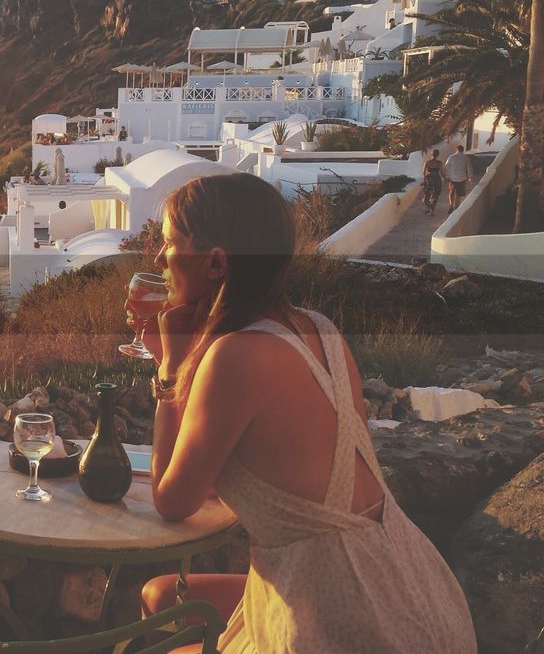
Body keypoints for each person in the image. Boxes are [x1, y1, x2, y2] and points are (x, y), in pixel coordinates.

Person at [129, 174, 476, 653]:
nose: (160, 259)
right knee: (160, 593)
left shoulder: (236, 355)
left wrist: (169, 368)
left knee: (156, 621)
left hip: (345, 619)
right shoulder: (317, 328)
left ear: (214, 263)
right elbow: (221, 473)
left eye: (169, 242)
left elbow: (173, 500)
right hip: (411, 588)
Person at [444, 144, 472, 213]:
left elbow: (446, 167)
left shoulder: (451, 157)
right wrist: (470, 176)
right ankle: (456, 208)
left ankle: (451, 206)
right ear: (463, 150)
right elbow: (469, 168)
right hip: (462, 178)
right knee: (459, 194)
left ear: (457, 149)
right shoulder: (466, 157)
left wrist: (447, 176)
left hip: (452, 178)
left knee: (451, 193)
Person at [421, 148, 444, 216]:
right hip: (436, 179)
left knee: (426, 196)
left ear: (431, 154)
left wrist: (425, 180)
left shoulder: (427, 162)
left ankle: (428, 208)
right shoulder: (439, 163)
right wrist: (445, 178)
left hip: (429, 179)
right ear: (438, 155)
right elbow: (442, 173)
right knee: (435, 196)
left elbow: (423, 173)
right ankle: (431, 211)